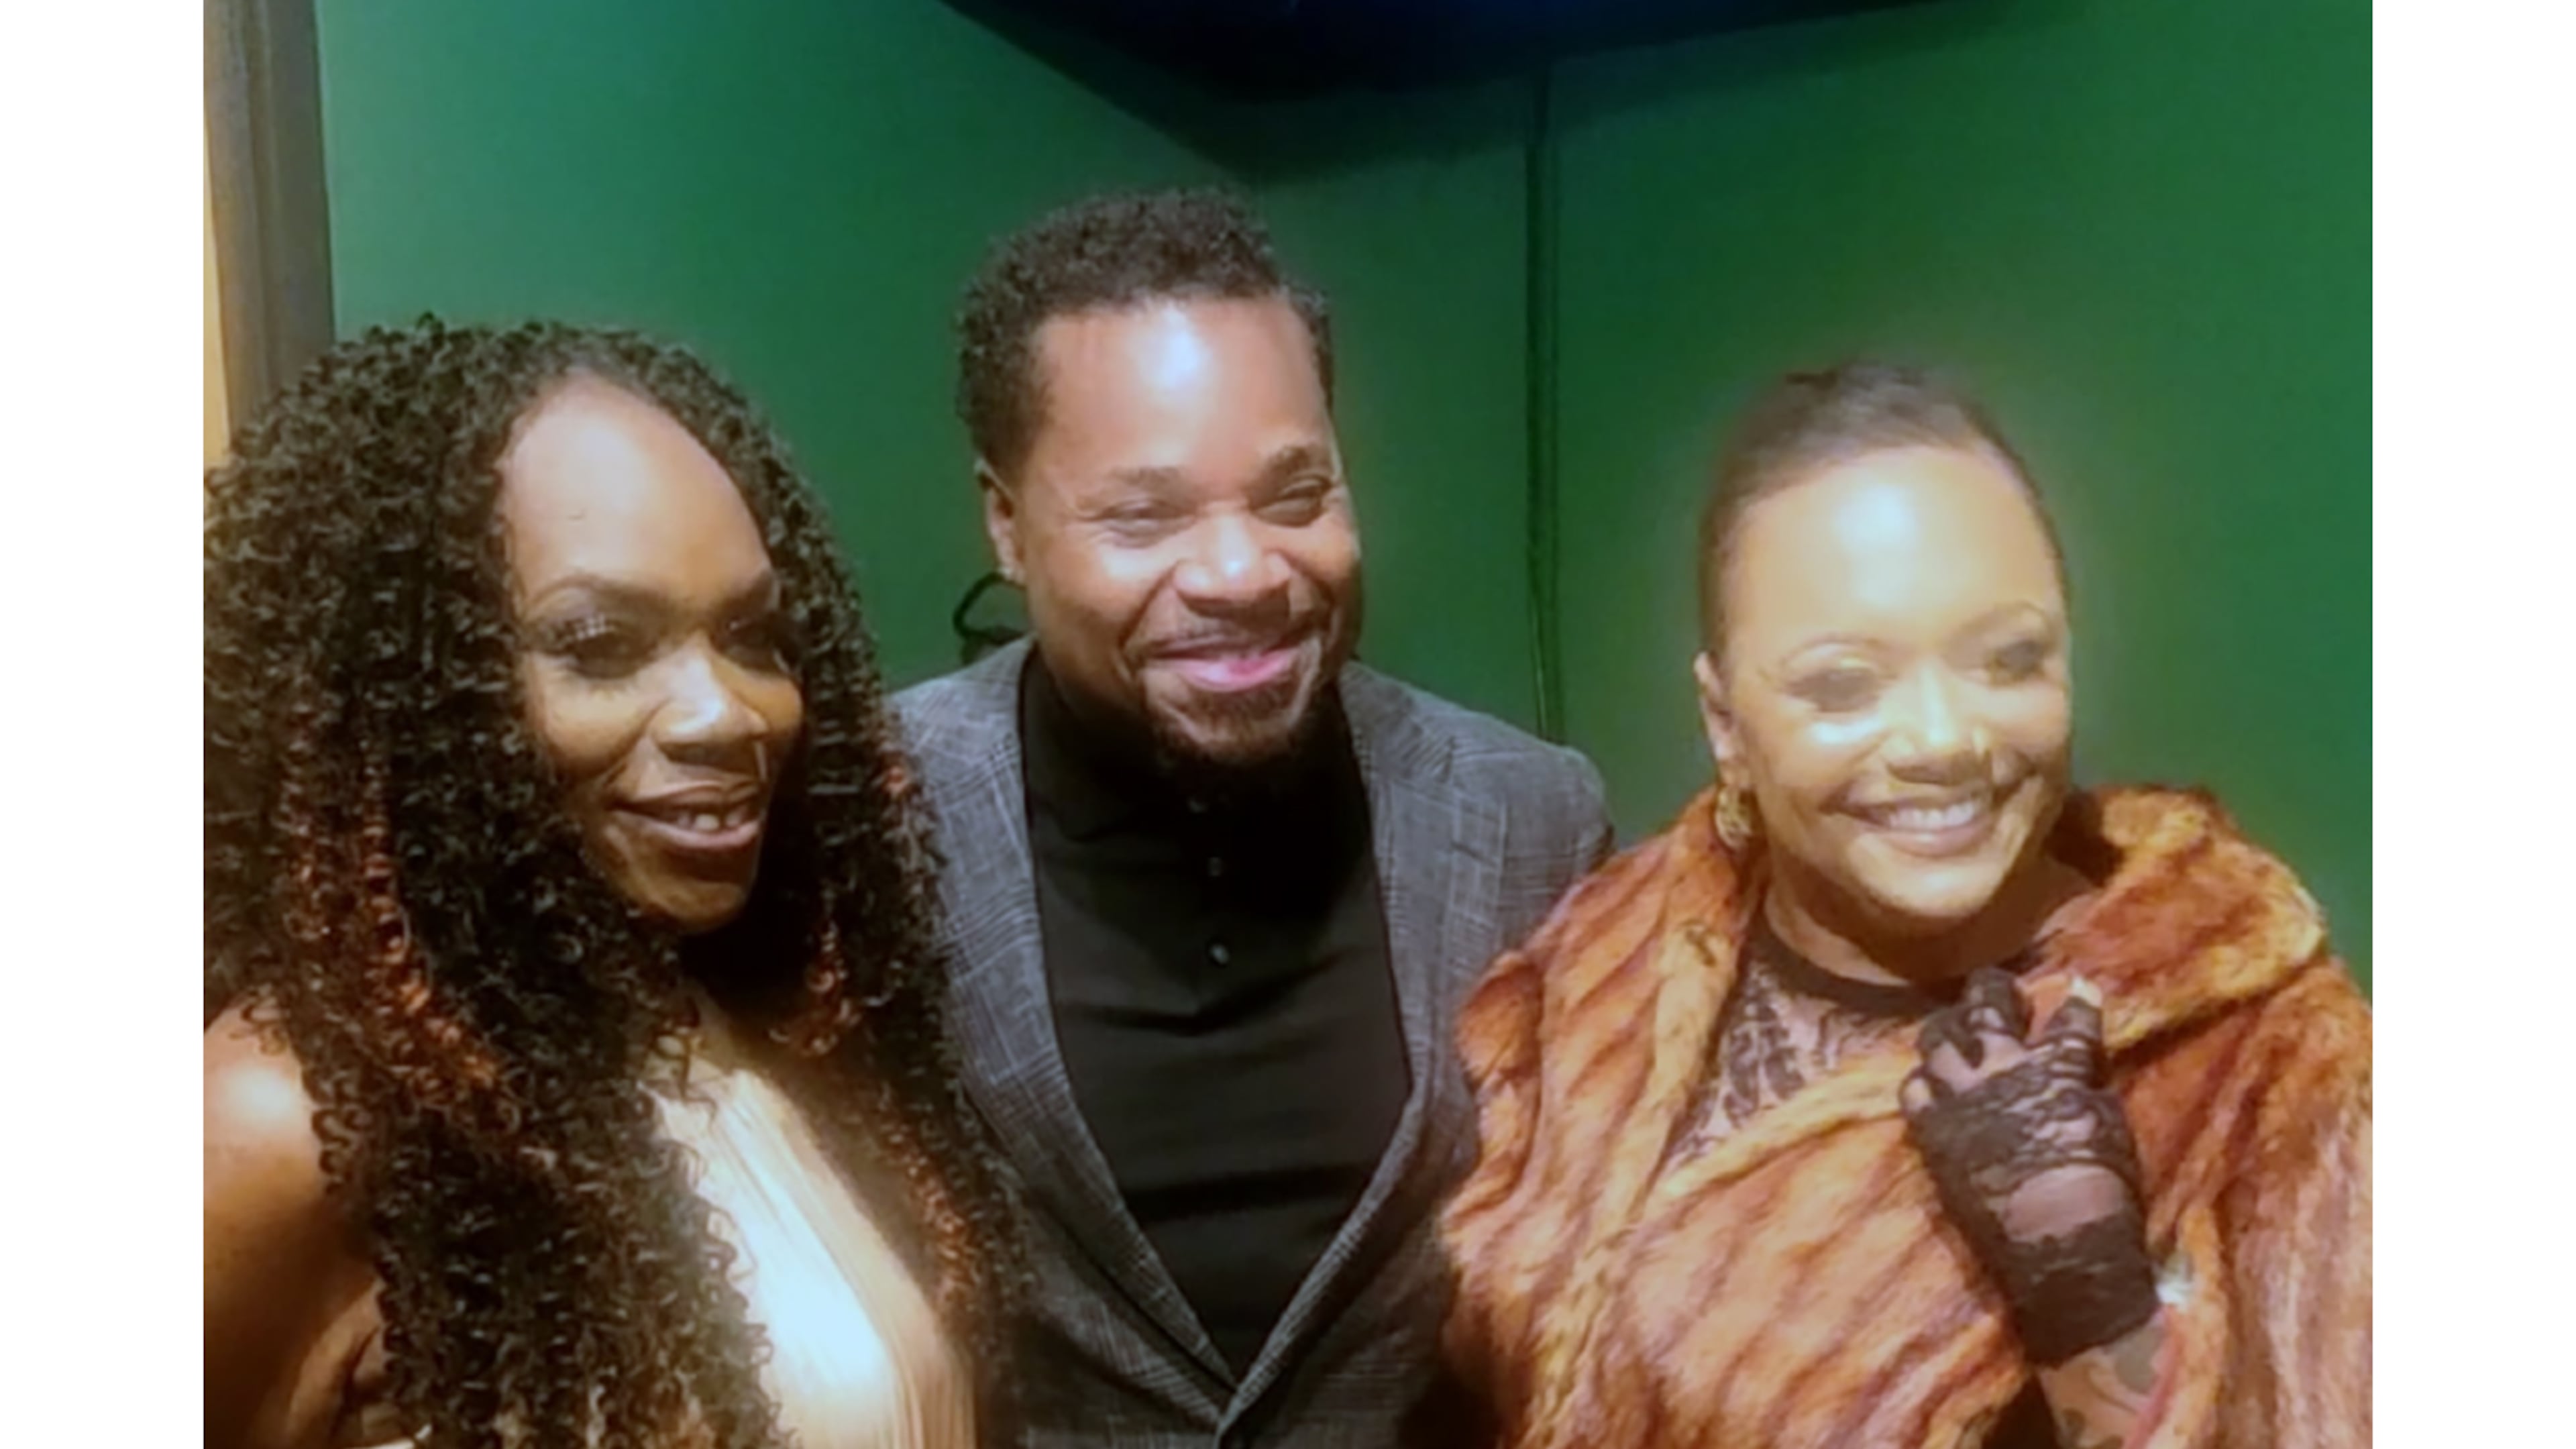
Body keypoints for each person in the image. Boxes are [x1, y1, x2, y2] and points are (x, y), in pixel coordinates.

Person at [1442, 362, 2370, 1448]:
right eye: (1843, 684)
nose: (1942, 741)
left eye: (2008, 660)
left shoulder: (2264, 1067)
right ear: (1725, 722)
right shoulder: (1612, 956)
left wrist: (2091, 1300)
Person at [204, 319, 1015, 1449]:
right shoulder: (278, 1126)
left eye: (752, 636)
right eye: (597, 644)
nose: (725, 711)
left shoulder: (750, 1042)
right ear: (406, 691)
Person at [895, 189, 1613, 1447]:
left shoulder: (1532, 821)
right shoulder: (872, 808)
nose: (1240, 574)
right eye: (1146, 515)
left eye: (1295, 495)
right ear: (1006, 524)